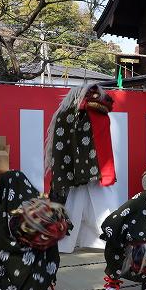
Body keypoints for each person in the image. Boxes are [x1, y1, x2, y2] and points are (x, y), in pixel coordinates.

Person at [46, 84, 120, 253]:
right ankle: (102, 239)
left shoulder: (69, 114)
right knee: (89, 203)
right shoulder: (76, 114)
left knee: (82, 203)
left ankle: (89, 240)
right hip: (95, 168)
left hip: (92, 168)